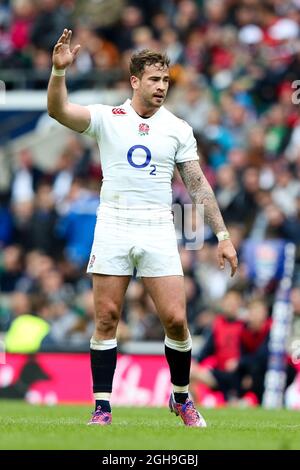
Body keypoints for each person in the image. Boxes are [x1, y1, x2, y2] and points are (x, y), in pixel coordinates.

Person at [47, 29, 238, 427]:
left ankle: (181, 398)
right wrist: (58, 73)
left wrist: (222, 236)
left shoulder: (178, 128)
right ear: (135, 81)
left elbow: (198, 184)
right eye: (154, 79)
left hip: (157, 227)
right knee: (106, 317)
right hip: (114, 223)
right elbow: (59, 111)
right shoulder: (107, 118)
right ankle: (102, 408)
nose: (161, 87)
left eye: (166, 80)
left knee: (176, 319)